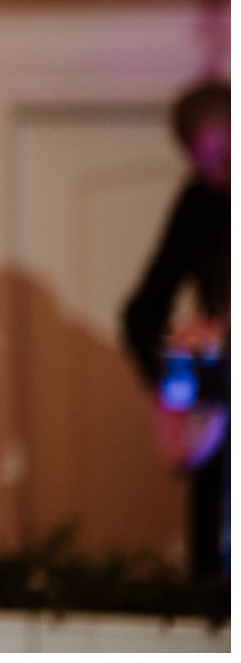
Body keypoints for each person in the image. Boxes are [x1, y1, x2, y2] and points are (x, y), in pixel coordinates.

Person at [122, 79, 230, 577]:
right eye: (203, 164)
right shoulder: (200, 202)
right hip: (221, 415)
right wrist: (174, 380)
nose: (217, 176)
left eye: (224, 157)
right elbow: (142, 312)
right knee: (212, 568)